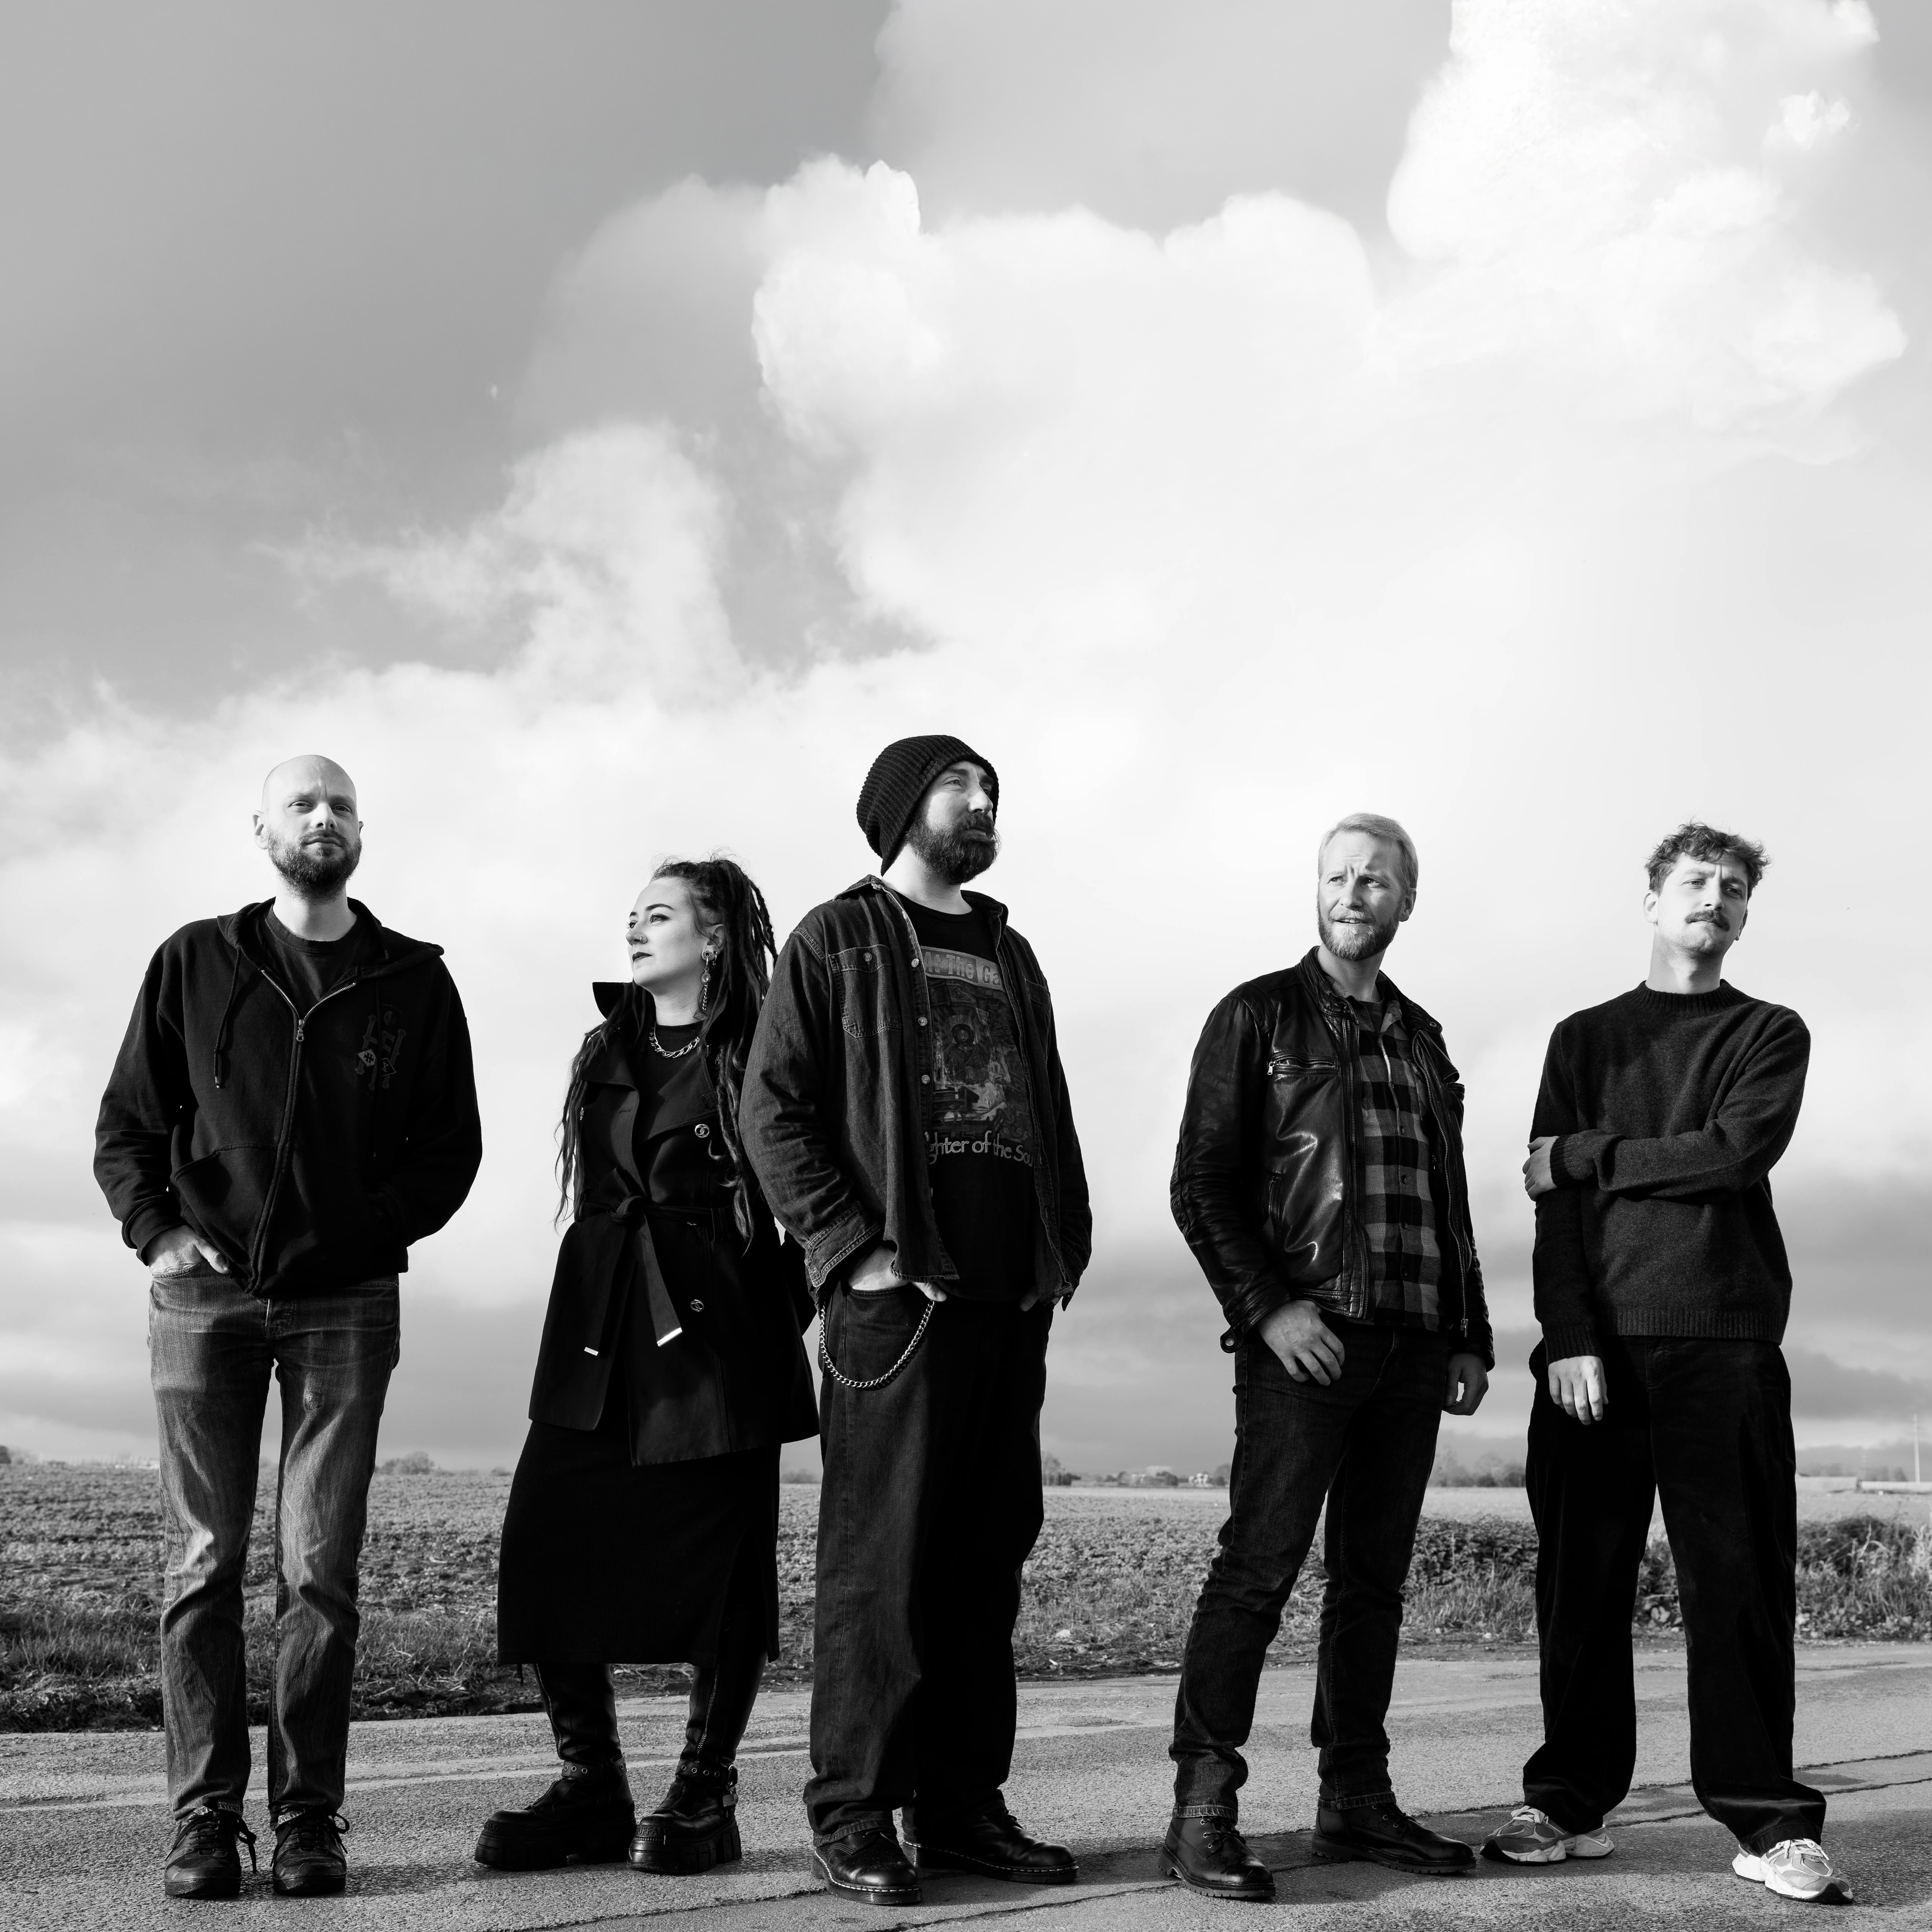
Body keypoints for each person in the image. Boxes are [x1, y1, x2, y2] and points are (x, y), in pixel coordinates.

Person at [94, 755, 482, 1900]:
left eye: (341, 805)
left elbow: (449, 1150)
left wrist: (365, 1233)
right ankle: (205, 1821)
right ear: (260, 828)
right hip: (202, 1298)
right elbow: (128, 1121)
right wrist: (160, 1235)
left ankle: (310, 1820)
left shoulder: (414, 980)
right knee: (202, 1563)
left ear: (362, 831)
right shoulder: (194, 959)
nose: (324, 817)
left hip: (346, 1301)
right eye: (303, 804)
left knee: (319, 1569)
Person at [739, 734, 1091, 1908]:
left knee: (984, 1564)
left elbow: (1049, 1109)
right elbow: (771, 1109)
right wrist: (857, 1250)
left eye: (992, 789)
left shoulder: (1009, 951)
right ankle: (853, 1808)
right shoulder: (836, 937)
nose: (982, 803)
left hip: (1007, 1299)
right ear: (900, 806)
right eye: (959, 785)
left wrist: (1061, 1250)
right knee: (878, 1563)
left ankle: (959, 1805)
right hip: (896, 1307)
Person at [1482, 825, 1847, 1904]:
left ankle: (1767, 1821)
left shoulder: (1767, 1031)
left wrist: (1583, 1154)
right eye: (1695, 881)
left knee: (1736, 1591)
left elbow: (1731, 1155)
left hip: (1725, 1345)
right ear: (1651, 899)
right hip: (1595, 1351)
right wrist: (1568, 1337)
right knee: (1580, 1590)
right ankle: (1566, 1802)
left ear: (1744, 915)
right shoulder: (1583, 1039)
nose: (1715, 899)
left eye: (1734, 888)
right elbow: (1552, 1211)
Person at [1161, 813, 1493, 1902]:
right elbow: (1201, 1183)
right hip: (1306, 1341)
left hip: (1415, 1343)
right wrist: (1268, 1310)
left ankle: (1355, 1795)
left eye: (1376, 879)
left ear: (1405, 902)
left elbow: (1450, 1201)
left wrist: (1471, 1331)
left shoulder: (1424, 1037)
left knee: (1373, 1583)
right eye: (1338, 876)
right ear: (1317, 892)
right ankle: (1202, 1807)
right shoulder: (1257, 1014)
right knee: (1257, 1571)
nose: (1354, 892)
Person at [475, 858, 817, 1877]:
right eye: (630, 915)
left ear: (713, 938)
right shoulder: (608, 1045)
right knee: (543, 1540)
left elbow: (813, 1189)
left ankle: (704, 1795)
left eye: (658, 915)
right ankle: (593, 1787)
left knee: (724, 1573)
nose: (634, 929)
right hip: (598, 1328)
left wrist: (769, 1315)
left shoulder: (764, 1045)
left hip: (719, 1344)